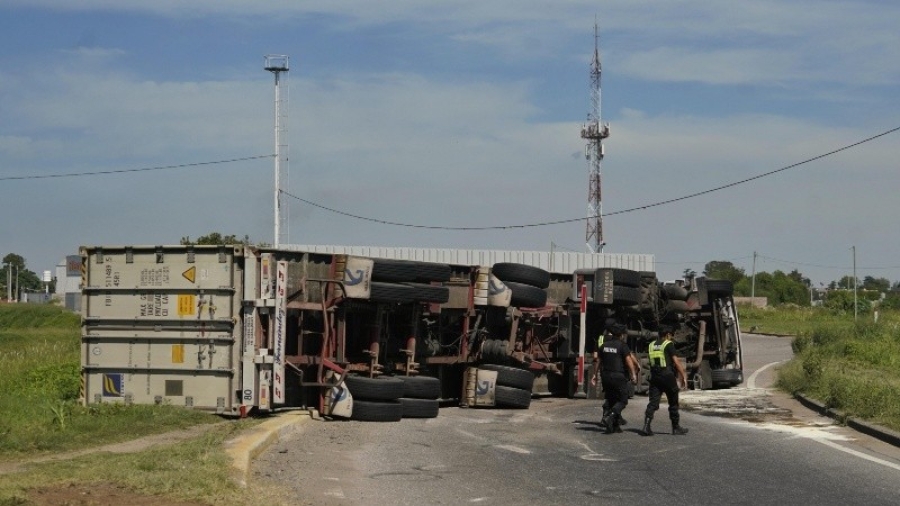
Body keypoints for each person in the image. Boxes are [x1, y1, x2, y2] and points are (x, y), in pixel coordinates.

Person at [641, 324, 689, 436]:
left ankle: (646, 426)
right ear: (667, 335)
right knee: (673, 402)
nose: (672, 337)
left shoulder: (651, 345)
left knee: (653, 403)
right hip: (667, 376)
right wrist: (684, 376)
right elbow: (676, 362)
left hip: (654, 377)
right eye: (671, 335)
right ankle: (676, 427)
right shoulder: (668, 344)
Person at [592, 323, 638, 434]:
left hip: (606, 376)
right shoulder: (622, 346)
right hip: (618, 376)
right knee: (623, 400)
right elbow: (628, 361)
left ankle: (614, 426)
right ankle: (609, 416)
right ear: (621, 335)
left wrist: (595, 375)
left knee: (612, 400)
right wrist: (633, 375)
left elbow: (598, 361)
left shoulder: (604, 345)